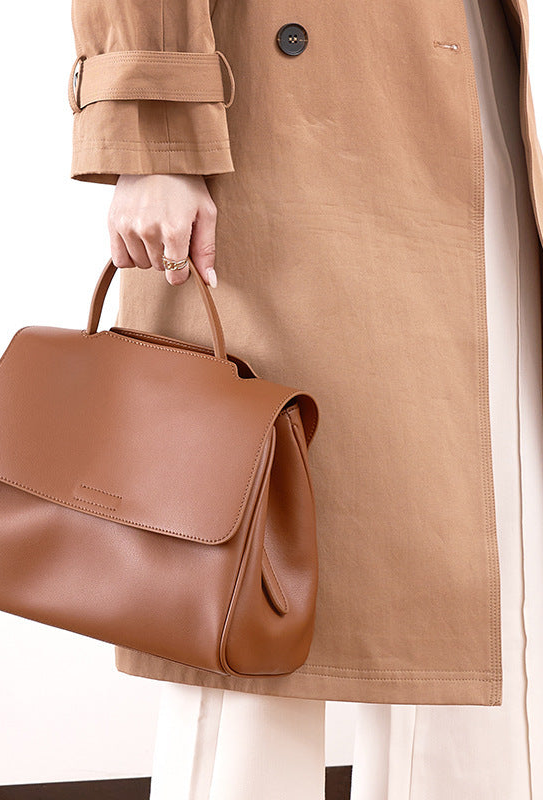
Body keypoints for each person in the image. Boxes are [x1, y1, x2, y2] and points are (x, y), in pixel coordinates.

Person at [68, 0, 543, 796]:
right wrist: (152, 132)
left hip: (459, 61)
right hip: (277, 102)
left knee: (477, 561)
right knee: (247, 567)